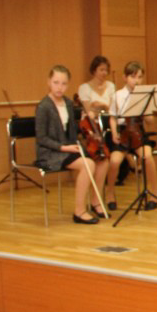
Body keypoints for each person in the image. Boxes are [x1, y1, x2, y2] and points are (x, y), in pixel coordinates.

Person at [35, 65, 109, 224]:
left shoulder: (68, 103)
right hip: (51, 153)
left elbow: (72, 131)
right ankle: (79, 211)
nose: (59, 87)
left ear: (68, 85)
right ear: (49, 82)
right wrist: (64, 147)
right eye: (56, 83)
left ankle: (96, 202)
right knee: (88, 165)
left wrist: (86, 126)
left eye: (63, 84)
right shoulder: (43, 106)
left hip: (69, 148)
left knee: (102, 159)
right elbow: (41, 138)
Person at [107, 60, 157, 210]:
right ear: (125, 78)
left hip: (138, 132)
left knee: (147, 156)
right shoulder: (117, 95)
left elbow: (150, 121)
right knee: (114, 161)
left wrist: (145, 110)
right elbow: (112, 117)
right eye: (133, 77)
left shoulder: (145, 95)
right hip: (123, 133)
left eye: (139, 77)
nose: (136, 81)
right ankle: (110, 192)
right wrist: (114, 133)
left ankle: (154, 192)